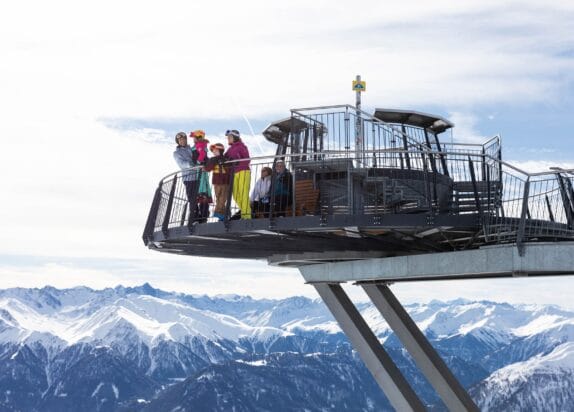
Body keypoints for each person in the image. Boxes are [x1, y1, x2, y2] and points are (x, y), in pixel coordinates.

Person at [173, 131, 210, 224]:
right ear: (178, 142)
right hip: (189, 178)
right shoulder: (177, 153)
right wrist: (194, 165)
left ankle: (203, 217)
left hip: (199, 176)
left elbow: (202, 154)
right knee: (193, 199)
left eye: (184, 139)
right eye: (180, 140)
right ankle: (195, 218)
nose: (182, 141)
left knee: (202, 197)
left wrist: (206, 163)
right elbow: (182, 164)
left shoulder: (193, 147)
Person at [224, 129, 251, 219]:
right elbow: (225, 158)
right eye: (227, 137)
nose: (228, 139)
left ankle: (246, 216)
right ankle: (245, 212)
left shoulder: (242, 146)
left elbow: (247, 160)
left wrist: (237, 162)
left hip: (243, 171)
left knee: (243, 194)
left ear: (235, 137)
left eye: (230, 137)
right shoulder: (230, 149)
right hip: (234, 173)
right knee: (236, 195)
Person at [204, 142, 229, 221]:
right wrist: (206, 166)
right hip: (216, 181)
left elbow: (229, 168)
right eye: (213, 151)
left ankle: (218, 212)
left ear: (220, 150)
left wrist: (223, 162)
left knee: (223, 198)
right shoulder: (213, 159)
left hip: (225, 181)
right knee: (218, 198)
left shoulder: (225, 159)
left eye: (215, 150)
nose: (214, 152)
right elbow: (208, 168)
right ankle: (224, 215)